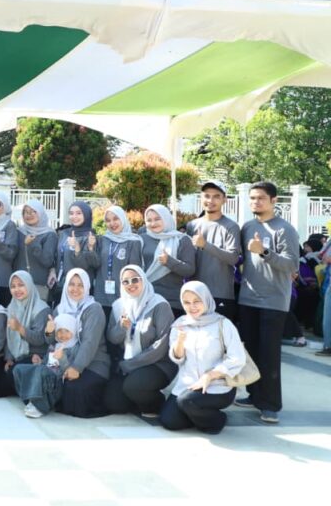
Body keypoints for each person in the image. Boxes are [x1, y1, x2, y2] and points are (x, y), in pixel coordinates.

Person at [235, 181, 300, 424]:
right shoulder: (247, 227)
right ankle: (254, 395)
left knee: (269, 354)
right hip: (248, 298)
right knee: (251, 352)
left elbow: (291, 264)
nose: (256, 202)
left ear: (274, 201)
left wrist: (263, 251)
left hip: (273, 301)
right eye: (252, 198)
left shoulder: (285, 229)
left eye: (261, 198)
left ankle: (271, 404)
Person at [161, 281, 247, 435]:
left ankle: (217, 420)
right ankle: (197, 414)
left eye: (197, 301)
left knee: (186, 402)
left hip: (217, 385)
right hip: (188, 385)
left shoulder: (223, 323)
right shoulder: (180, 324)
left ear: (206, 299)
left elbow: (237, 358)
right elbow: (177, 358)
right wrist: (180, 341)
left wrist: (210, 375)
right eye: (187, 302)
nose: (192, 306)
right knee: (170, 421)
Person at [103, 265, 176, 417]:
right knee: (113, 403)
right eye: (125, 281)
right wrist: (122, 327)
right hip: (128, 364)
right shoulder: (119, 306)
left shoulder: (159, 305)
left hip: (157, 364)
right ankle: (138, 399)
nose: (130, 284)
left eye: (135, 280)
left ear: (143, 280)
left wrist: (131, 364)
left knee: (134, 386)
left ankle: (156, 403)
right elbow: (112, 338)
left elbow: (161, 346)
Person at [51, 268, 110, 418]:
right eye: (72, 284)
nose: (75, 289)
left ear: (87, 287)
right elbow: (53, 341)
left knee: (76, 391)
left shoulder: (93, 309)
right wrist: (48, 332)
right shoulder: (60, 309)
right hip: (64, 360)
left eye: (80, 285)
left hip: (94, 363)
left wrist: (76, 367)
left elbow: (89, 342)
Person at [185, 181, 242, 321]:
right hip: (195, 295)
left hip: (220, 294)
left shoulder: (231, 226)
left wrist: (205, 245)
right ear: (201, 197)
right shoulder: (192, 225)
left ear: (224, 200)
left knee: (219, 334)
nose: (210, 200)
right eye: (207, 196)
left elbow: (233, 258)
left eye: (216, 196)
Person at [12, 313, 79, 418]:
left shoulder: (75, 348)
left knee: (41, 371)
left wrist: (62, 358)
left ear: (73, 330)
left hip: (56, 383)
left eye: (67, 331)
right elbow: (46, 363)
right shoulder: (53, 345)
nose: (63, 335)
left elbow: (70, 370)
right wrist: (40, 362)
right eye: (59, 331)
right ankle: (31, 399)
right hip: (44, 377)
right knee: (19, 369)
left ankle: (40, 406)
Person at [0, 270, 52, 398]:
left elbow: (40, 339)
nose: (17, 289)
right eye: (13, 286)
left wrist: (20, 329)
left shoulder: (42, 309)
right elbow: (9, 336)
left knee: (6, 382)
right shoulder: (12, 307)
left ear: (29, 285)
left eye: (21, 285)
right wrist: (9, 358)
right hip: (17, 355)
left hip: (36, 355)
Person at [89, 206, 144, 314]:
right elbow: (95, 264)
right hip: (101, 295)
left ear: (123, 219)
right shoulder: (102, 240)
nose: (112, 223)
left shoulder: (133, 242)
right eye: (108, 220)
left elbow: (134, 272)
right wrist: (91, 249)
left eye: (115, 219)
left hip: (123, 297)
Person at [141, 204, 196, 304]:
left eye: (157, 219)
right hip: (145, 298)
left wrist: (169, 261)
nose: (153, 223)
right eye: (149, 220)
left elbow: (189, 270)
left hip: (172, 300)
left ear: (166, 218)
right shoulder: (141, 239)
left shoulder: (182, 239)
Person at [15, 200, 58, 301]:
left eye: (33, 211)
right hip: (18, 283)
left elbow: (47, 261)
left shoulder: (49, 234)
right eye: (26, 212)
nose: (29, 215)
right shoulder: (19, 232)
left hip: (39, 284)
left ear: (40, 213)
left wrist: (32, 243)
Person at [56, 201, 97, 302]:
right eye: (71, 213)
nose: (74, 216)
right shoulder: (64, 233)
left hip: (79, 288)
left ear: (86, 215)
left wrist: (77, 249)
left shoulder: (91, 237)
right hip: (61, 284)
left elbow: (86, 266)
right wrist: (52, 270)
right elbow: (57, 256)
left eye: (78, 213)